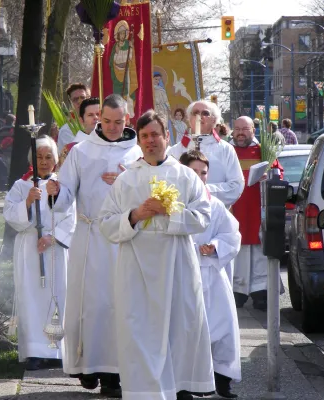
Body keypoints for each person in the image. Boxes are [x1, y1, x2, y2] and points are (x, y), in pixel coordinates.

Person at [99, 110, 215, 400]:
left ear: (167, 137)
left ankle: (180, 388)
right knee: (139, 332)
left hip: (176, 265)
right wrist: (135, 215)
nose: (151, 141)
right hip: (136, 268)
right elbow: (106, 224)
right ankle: (144, 393)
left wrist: (170, 211)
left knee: (180, 328)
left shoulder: (186, 176)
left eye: (155, 134)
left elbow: (202, 218)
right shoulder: (125, 181)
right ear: (138, 140)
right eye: (145, 136)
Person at [46, 94, 142, 398]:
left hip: (125, 239)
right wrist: (54, 191)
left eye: (119, 121)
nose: (113, 128)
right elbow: (65, 198)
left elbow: (151, 192)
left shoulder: (138, 152)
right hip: (90, 236)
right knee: (92, 306)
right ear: (99, 118)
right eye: (107, 121)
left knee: (120, 305)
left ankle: (114, 374)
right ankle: (86, 366)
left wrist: (129, 181)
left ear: (128, 119)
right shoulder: (82, 151)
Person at [3, 136, 75, 371]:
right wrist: (26, 202)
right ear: (31, 160)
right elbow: (10, 216)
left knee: (57, 296)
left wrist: (52, 237)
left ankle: (55, 349)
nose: (44, 162)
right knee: (31, 298)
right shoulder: (22, 186)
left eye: (48, 157)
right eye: (39, 157)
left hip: (55, 251)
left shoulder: (61, 186)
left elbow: (71, 217)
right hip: (29, 251)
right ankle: (34, 351)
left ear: (55, 161)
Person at [179, 150, 242, 399]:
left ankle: (222, 379)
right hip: (183, 275)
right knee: (186, 330)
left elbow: (231, 234)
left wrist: (215, 246)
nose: (199, 177)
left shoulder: (214, 204)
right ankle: (184, 383)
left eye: (203, 172)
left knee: (222, 327)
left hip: (212, 273)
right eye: (193, 171)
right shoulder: (173, 203)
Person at [230, 116, 283, 311]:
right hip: (234, 209)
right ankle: (237, 291)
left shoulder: (263, 152)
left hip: (257, 207)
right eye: (237, 129)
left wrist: (267, 176)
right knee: (237, 252)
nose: (240, 133)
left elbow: (278, 174)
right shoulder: (227, 151)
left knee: (259, 253)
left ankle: (261, 292)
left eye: (245, 128)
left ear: (253, 130)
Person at [167, 100, 245, 207]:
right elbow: (168, 185)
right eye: (195, 113)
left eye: (205, 113)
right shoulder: (175, 151)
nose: (200, 116)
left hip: (215, 214)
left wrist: (204, 190)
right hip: (184, 216)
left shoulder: (226, 149)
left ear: (214, 120)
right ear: (189, 119)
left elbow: (236, 186)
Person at [58, 97, 101, 168]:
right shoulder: (70, 149)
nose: (96, 117)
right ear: (81, 120)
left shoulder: (112, 144)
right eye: (90, 115)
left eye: (98, 114)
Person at [57, 83, 90, 152]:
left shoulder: (97, 124)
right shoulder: (66, 130)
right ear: (70, 103)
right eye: (75, 99)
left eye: (83, 97)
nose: (79, 101)